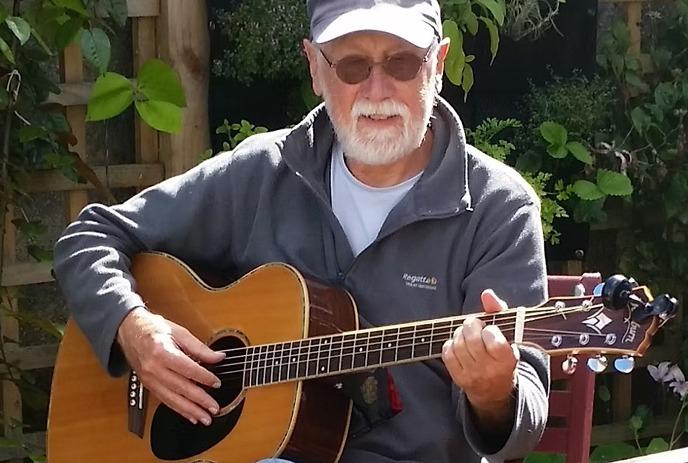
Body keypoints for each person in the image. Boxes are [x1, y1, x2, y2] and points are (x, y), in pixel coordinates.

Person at [53, 0, 550, 462]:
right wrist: (134, 329)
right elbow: (88, 239)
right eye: (353, 66)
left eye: (402, 63)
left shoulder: (498, 207)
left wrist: (494, 395)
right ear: (314, 67)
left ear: (437, 65)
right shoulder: (261, 174)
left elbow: (524, 416)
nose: (377, 92)